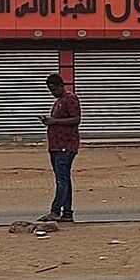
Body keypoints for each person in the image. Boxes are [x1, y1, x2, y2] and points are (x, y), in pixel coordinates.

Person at [37, 73, 81, 223]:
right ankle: (67, 213)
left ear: (61, 86)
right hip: (56, 146)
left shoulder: (70, 99)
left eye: (54, 89)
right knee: (65, 179)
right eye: (50, 90)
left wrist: (54, 121)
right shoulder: (58, 101)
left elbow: (76, 119)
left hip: (66, 145)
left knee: (61, 179)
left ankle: (55, 211)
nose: (52, 93)